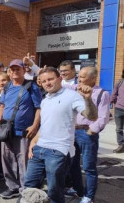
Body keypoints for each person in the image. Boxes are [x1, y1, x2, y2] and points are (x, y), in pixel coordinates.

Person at [24, 67, 98, 203]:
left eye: (51, 79)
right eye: (44, 81)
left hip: (58, 151)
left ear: (59, 79)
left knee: (54, 191)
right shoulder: (45, 100)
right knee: (29, 186)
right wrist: (33, 143)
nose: (47, 83)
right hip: (39, 149)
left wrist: (87, 100)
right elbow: (45, 125)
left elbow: (92, 116)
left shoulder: (72, 96)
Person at [0, 59, 42, 199]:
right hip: (6, 129)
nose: (15, 72)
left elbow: (39, 108)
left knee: (23, 161)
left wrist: (35, 125)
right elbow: (2, 106)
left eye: (18, 69)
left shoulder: (31, 86)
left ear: (23, 70)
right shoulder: (8, 86)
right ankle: (13, 187)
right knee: (7, 159)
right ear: (9, 72)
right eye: (12, 69)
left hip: (23, 130)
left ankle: (25, 189)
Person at [69, 67, 110, 203]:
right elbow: (54, 81)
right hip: (72, 132)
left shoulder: (101, 93)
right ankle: (77, 189)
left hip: (86, 133)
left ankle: (88, 196)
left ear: (93, 78)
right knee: (73, 164)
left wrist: (92, 130)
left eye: (83, 77)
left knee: (89, 167)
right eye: (79, 76)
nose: (79, 79)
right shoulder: (73, 88)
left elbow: (103, 117)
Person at [110, 69, 124, 153]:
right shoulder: (120, 82)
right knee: (119, 129)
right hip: (119, 109)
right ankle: (121, 145)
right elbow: (114, 95)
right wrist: (109, 106)